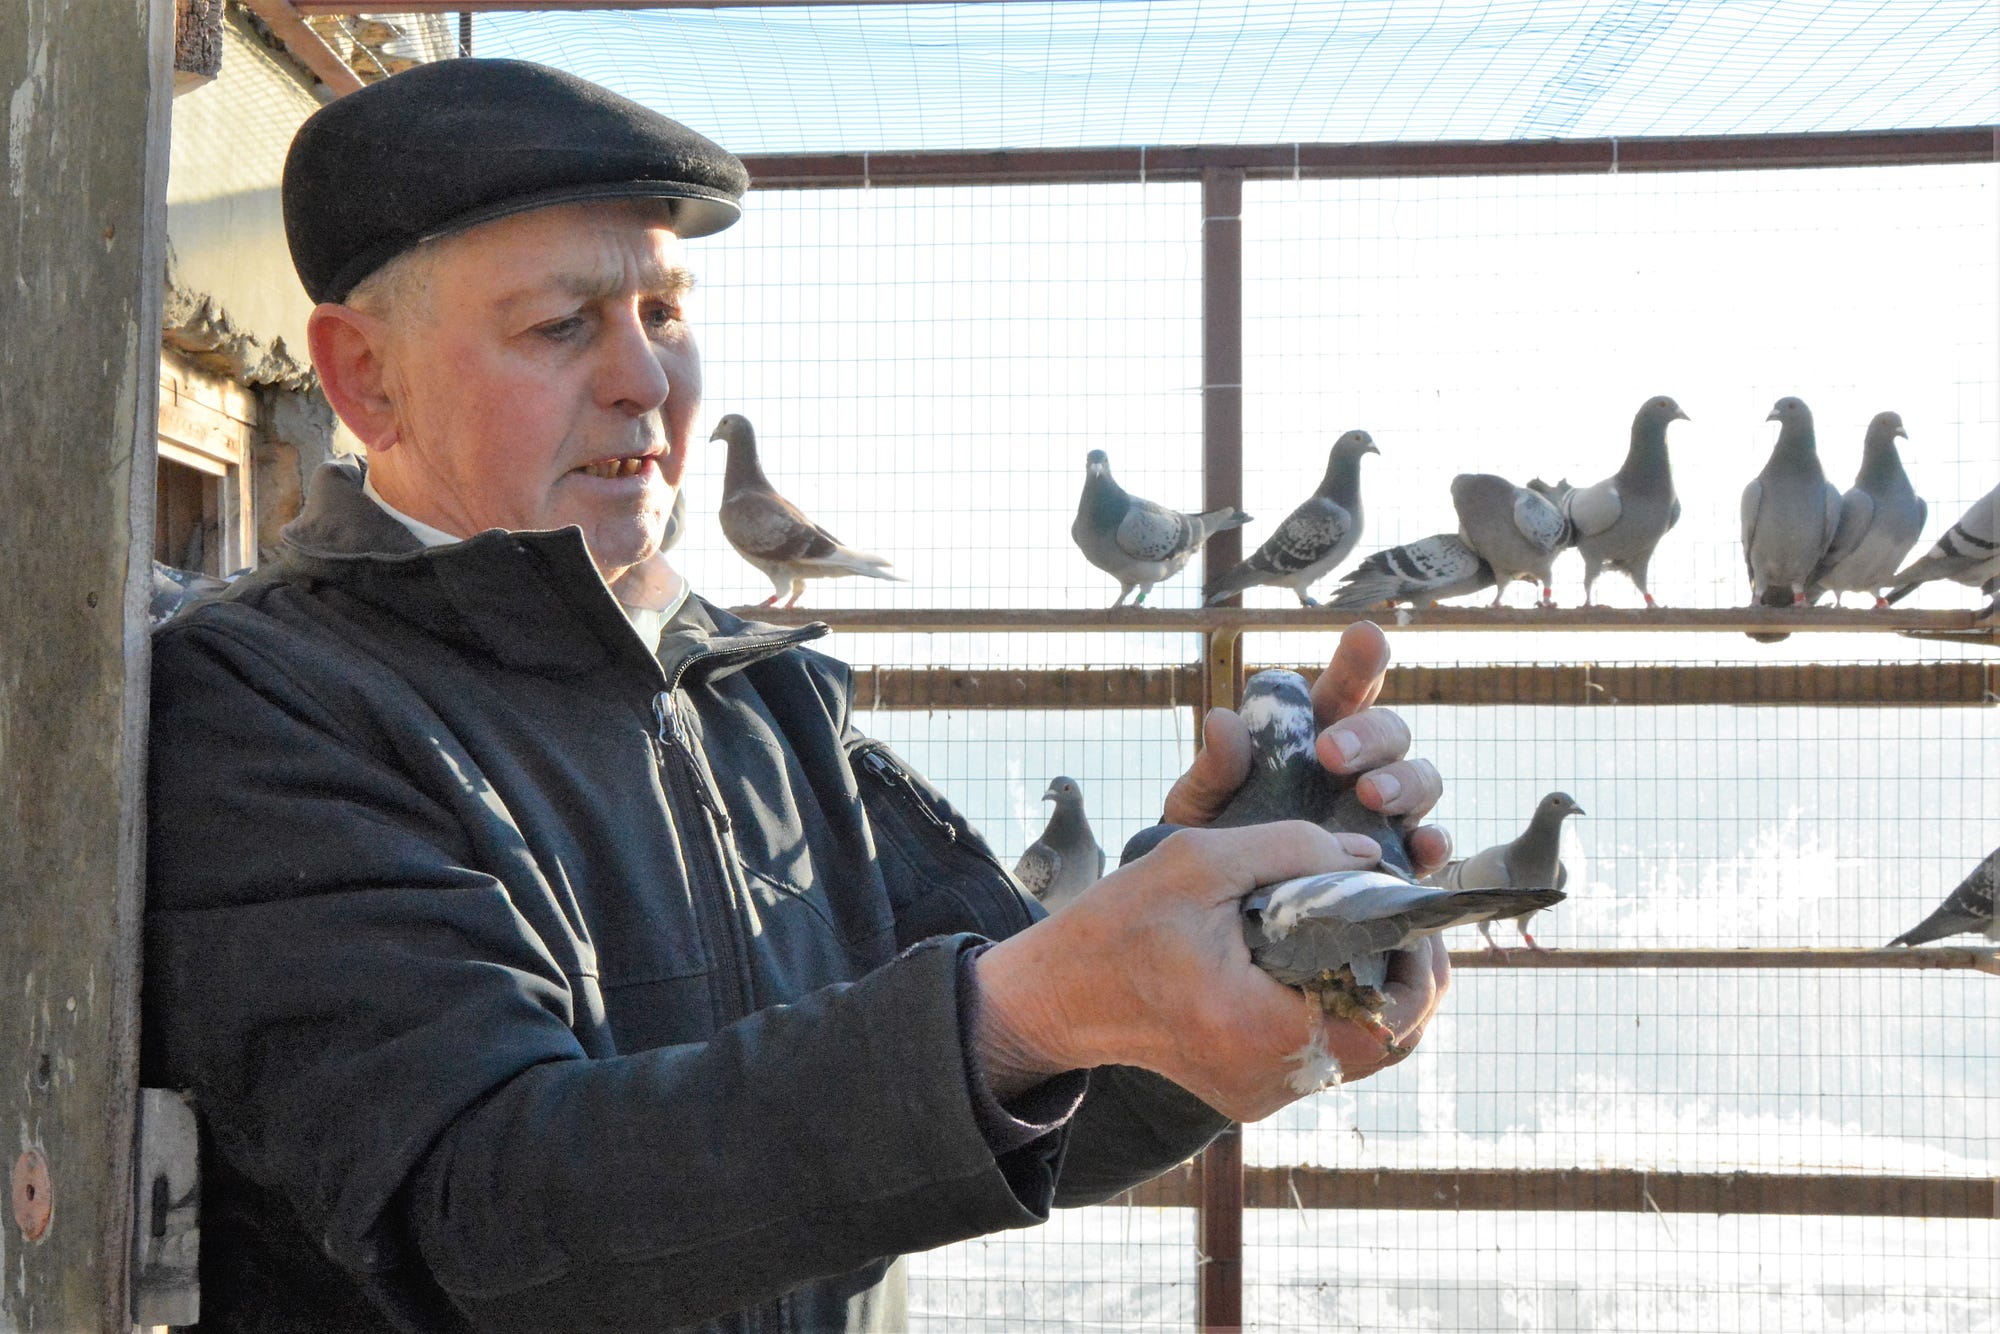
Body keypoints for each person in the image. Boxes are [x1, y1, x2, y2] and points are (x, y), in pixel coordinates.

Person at [142, 58, 1452, 1333]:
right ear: (366, 378)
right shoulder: (263, 707)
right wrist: (1041, 1003)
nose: (649, 383)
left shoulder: (761, 700)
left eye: (664, 312)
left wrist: (1249, 911)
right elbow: (482, 1209)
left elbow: (1033, 1065)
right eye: (562, 324)